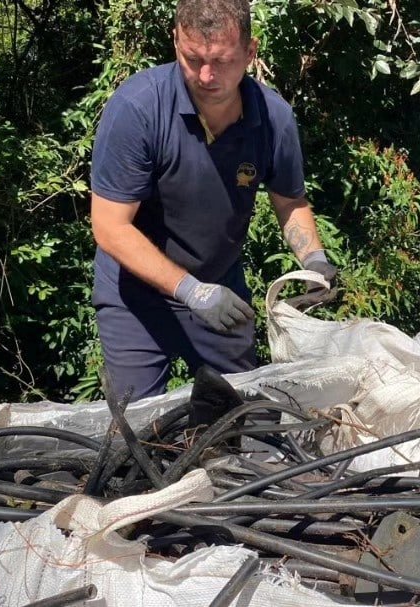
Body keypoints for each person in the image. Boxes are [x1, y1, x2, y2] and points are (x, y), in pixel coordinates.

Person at [89, 0, 336, 400]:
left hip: (221, 286)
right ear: (175, 41)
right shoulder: (138, 108)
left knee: (244, 412)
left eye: (222, 61)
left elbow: (289, 201)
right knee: (137, 422)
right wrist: (191, 291)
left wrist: (315, 261)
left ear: (250, 52)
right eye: (193, 59)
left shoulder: (273, 118)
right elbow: (110, 227)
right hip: (134, 296)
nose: (206, 75)